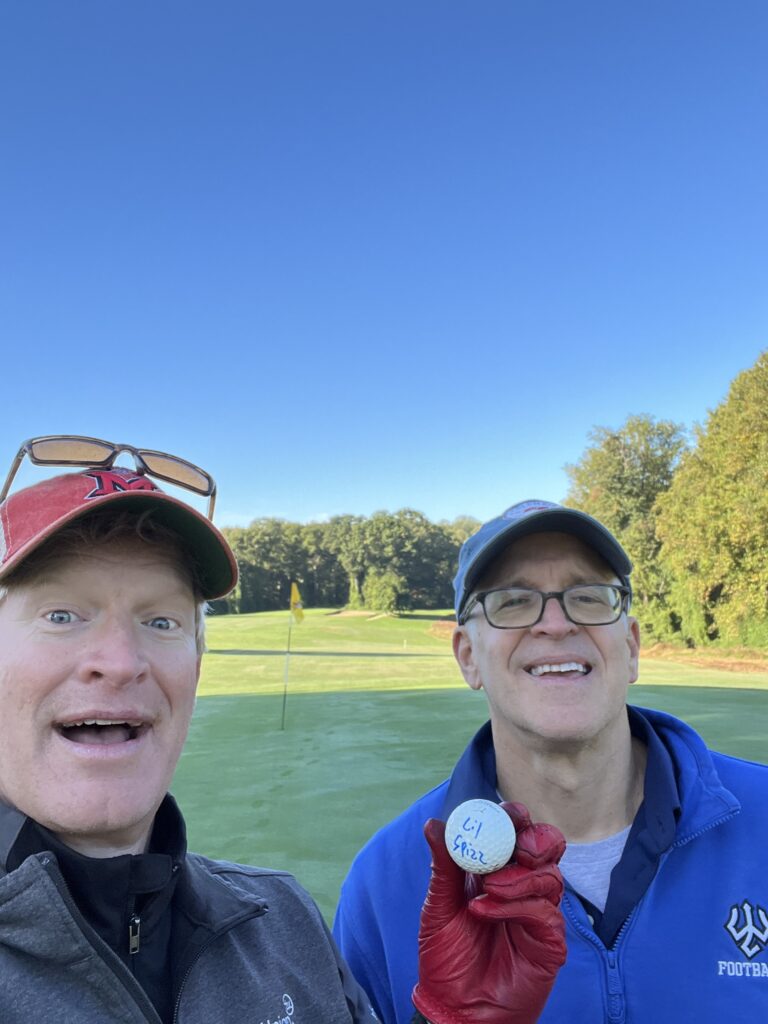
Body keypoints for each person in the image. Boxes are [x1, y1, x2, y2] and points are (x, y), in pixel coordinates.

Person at [0, 437, 567, 1024]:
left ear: (195, 666)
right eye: (61, 615)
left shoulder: (284, 921)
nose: (120, 661)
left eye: (160, 620)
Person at [334, 499, 768, 1023]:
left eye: (587, 596)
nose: (556, 624)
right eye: (514, 602)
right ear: (468, 657)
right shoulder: (385, 881)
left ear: (630, 647)